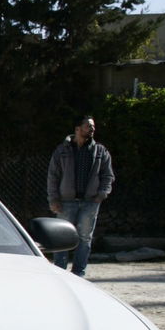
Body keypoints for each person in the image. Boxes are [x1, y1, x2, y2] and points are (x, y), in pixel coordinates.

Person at [47, 114, 114, 277]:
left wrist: (102, 194)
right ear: (77, 129)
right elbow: (53, 175)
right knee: (61, 238)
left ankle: (79, 274)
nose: (92, 129)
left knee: (85, 238)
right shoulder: (62, 150)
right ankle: (60, 272)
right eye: (88, 126)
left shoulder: (100, 151)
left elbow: (108, 175)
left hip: (90, 202)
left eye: (93, 126)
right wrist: (53, 199)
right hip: (65, 202)